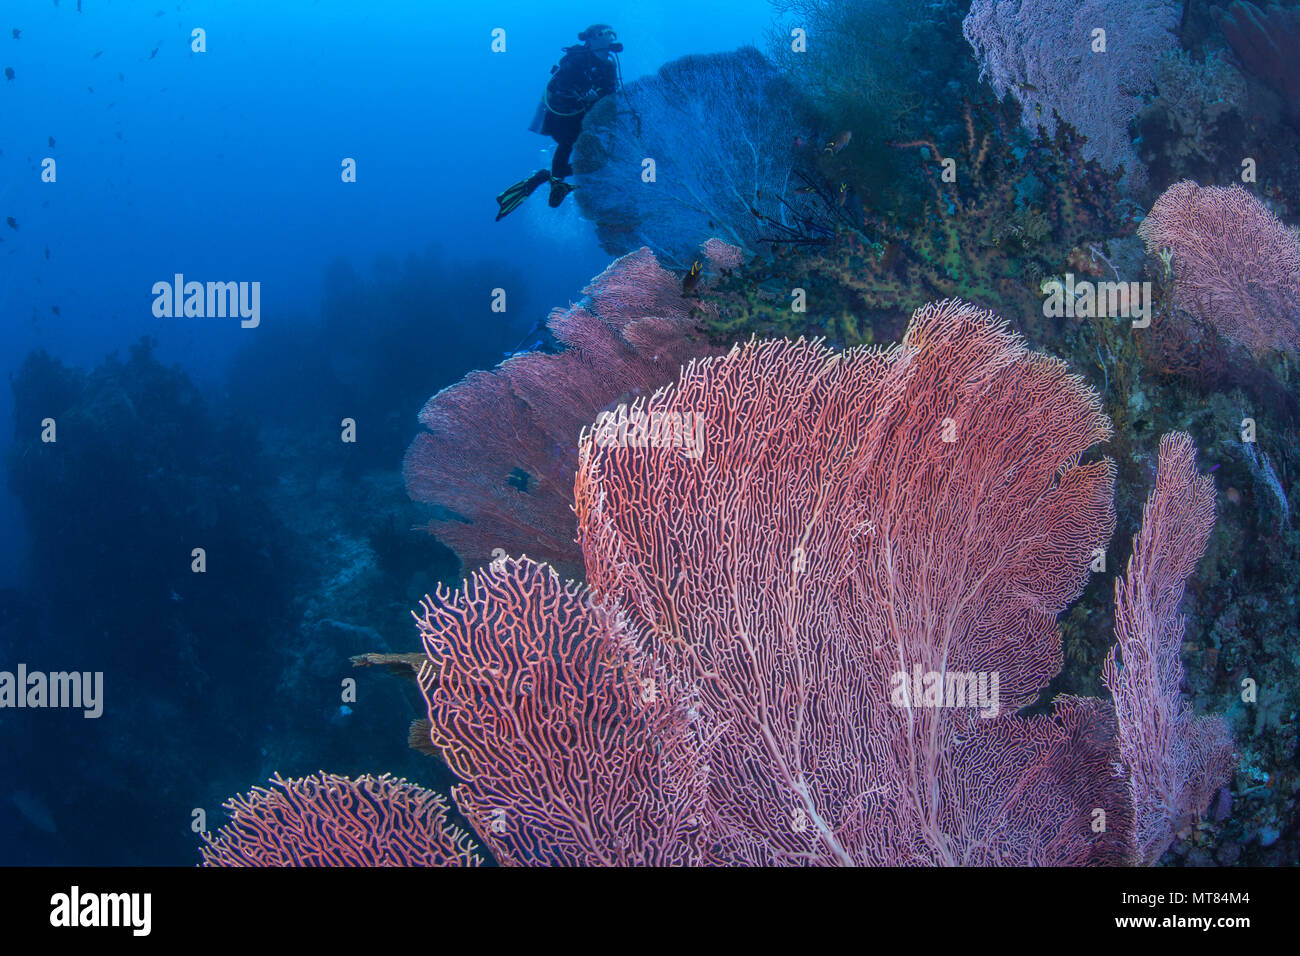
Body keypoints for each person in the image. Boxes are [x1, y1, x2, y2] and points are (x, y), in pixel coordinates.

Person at [495, 24, 621, 221]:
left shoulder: (610, 66)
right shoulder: (578, 58)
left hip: (590, 116)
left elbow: (611, 94)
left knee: (599, 162)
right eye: (606, 34)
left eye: (613, 34)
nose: (611, 37)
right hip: (564, 114)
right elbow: (561, 84)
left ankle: (545, 177)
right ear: (592, 38)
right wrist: (583, 95)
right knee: (568, 142)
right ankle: (555, 181)